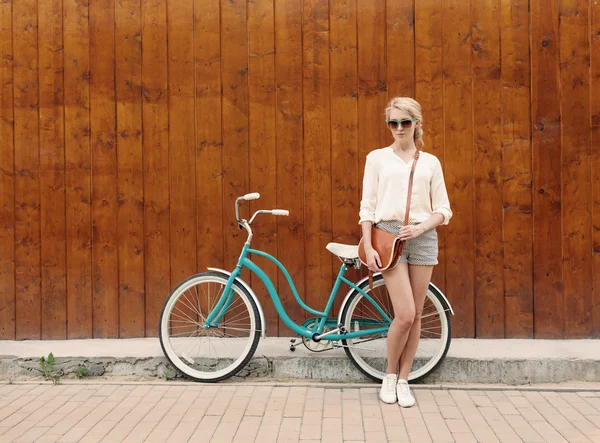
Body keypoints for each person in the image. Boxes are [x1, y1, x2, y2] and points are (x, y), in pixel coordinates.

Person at [359, 97, 452, 407]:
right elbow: (367, 206)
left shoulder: (430, 162)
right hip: (388, 237)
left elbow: (443, 210)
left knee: (416, 316)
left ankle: (404, 380)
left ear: (416, 124)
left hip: (422, 238)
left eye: (405, 122)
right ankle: (388, 374)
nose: (399, 128)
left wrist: (422, 227)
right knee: (406, 313)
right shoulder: (376, 158)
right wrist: (368, 244)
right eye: (393, 123)